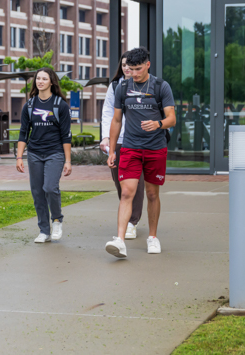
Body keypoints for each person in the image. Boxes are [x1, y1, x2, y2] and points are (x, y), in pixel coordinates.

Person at [106, 47, 176, 258]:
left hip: (155, 148)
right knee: (127, 192)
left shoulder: (160, 86)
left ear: (148, 64)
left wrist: (157, 124)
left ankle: (152, 237)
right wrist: (111, 150)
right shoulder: (122, 87)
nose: (133, 73)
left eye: (138, 69)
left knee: (152, 193)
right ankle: (119, 240)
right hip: (130, 147)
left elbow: (171, 118)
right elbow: (116, 120)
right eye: (130, 68)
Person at [16, 67, 72, 243]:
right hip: (34, 154)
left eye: (44, 79)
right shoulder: (29, 105)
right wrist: (19, 157)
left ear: (51, 82)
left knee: (49, 188)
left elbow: (66, 135)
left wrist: (68, 161)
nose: (40, 81)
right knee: (37, 193)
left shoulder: (60, 105)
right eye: (38, 78)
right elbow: (23, 132)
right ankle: (44, 230)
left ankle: (56, 220)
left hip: (54, 153)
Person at [100, 51, 144, 240]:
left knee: (137, 183)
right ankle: (127, 215)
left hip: (138, 141)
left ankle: (132, 222)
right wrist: (105, 138)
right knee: (120, 182)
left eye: (131, 65)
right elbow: (107, 112)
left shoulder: (145, 85)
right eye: (124, 64)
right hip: (117, 141)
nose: (127, 68)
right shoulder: (115, 86)